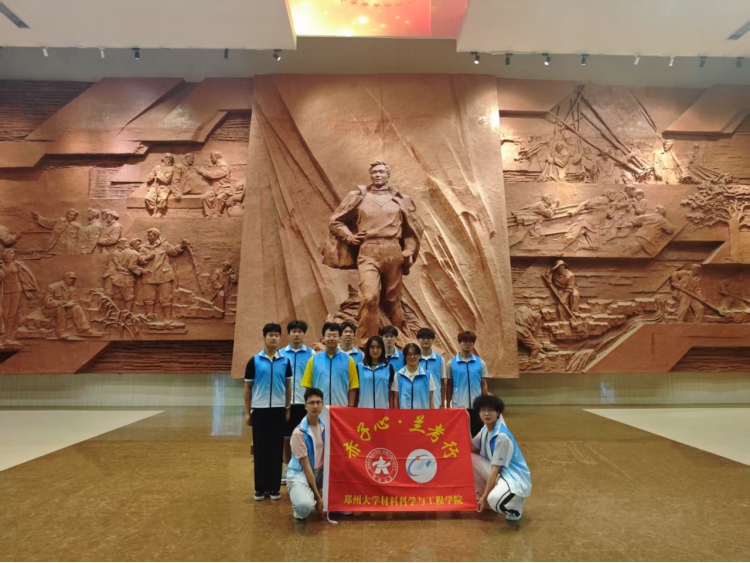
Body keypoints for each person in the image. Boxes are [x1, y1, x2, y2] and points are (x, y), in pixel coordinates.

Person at [323, 161, 423, 343]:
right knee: (369, 297)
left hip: (393, 250)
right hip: (368, 250)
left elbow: (411, 231)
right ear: (370, 175)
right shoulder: (358, 197)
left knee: (393, 301)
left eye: (381, 172)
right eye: (374, 172)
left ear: (388, 175)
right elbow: (336, 221)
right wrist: (349, 237)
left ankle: (396, 342)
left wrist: (409, 250)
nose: (378, 175)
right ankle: (366, 343)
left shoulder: (401, 200)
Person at [244, 323, 292, 502]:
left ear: (280, 338)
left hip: (278, 411)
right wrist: (248, 412)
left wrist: (287, 408)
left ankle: (273, 487)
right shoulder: (254, 361)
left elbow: (288, 386)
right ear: (264, 337)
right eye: (270, 335)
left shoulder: (285, 361)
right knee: (260, 450)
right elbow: (248, 388)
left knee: (276, 449)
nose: (274, 338)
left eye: (276, 335)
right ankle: (260, 488)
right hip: (260, 411)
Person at [471, 395, 531, 521]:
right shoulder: (485, 429)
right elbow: (471, 447)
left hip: (512, 476)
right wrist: (464, 422)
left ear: (498, 413)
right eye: (483, 410)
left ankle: (516, 507)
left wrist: (485, 497)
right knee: (469, 459)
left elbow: (495, 469)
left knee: (495, 501)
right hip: (500, 473)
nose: (486, 413)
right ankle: (486, 497)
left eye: (491, 410)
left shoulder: (501, 436)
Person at [286, 388, 326, 520]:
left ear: (323, 405)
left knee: (340, 507)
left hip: (319, 473)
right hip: (301, 473)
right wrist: (318, 497)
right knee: (304, 507)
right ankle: (302, 496)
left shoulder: (326, 427)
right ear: (305, 406)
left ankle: (313, 493)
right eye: (311, 403)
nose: (315, 406)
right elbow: (306, 466)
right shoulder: (299, 432)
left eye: (318, 402)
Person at [301, 322, 359, 409]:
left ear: (340, 338)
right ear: (323, 338)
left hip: (341, 407)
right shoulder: (313, 360)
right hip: (319, 409)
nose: (331, 338)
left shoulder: (349, 360)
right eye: (328, 336)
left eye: (335, 336)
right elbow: (308, 386)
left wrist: (350, 407)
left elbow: (353, 387)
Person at [282, 320, 314, 472]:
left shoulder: (311, 354)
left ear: (304, 334)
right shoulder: (281, 354)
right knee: (286, 438)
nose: (296, 334)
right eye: (293, 331)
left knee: (303, 437)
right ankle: (287, 469)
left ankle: (303, 469)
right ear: (289, 334)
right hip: (286, 404)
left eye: (299, 331)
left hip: (303, 403)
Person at [446, 331, 489, 436]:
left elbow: (483, 383)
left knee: (476, 435)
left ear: (473, 344)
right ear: (459, 343)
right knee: (459, 434)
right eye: (464, 341)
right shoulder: (451, 363)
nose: (467, 344)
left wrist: (485, 403)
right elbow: (449, 385)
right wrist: (447, 405)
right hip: (459, 406)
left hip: (476, 406)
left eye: (470, 342)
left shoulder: (481, 363)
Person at [0, 249, 37, 346]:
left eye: (13, 253)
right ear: (6, 254)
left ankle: (9, 336)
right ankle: (4, 334)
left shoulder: (17, 264)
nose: (12, 255)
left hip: (17, 290)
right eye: (11, 253)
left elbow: (23, 277)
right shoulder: (1, 266)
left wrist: (26, 290)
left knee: (12, 313)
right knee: (5, 313)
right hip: (6, 291)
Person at [42, 271, 93, 339]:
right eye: (70, 278)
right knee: (61, 308)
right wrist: (61, 303)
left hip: (66, 310)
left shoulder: (71, 289)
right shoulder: (53, 287)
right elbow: (47, 302)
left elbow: (74, 300)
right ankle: (60, 332)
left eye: (74, 279)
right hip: (51, 310)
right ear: (65, 277)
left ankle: (83, 328)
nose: (72, 280)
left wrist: (70, 303)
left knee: (77, 307)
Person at [391, 343, 435, 409]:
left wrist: (432, 414)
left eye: (415, 354)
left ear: (419, 356)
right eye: (409, 354)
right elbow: (396, 399)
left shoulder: (427, 375)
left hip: (422, 414)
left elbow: (431, 398)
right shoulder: (398, 375)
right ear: (405, 356)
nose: (412, 357)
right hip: (404, 414)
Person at [358, 335, 395, 409]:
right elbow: (356, 391)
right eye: (372, 347)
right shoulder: (359, 367)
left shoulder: (388, 367)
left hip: (383, 410)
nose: (375, 350)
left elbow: (391, 392)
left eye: (378, 347)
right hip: (364, 409)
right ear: (368, 349)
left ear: (382, 349)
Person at [417, 327, 446, 409]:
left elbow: (442, 383)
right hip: (418, 403)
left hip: (436, 403)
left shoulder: (440, 359)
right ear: (418, 340)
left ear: (433, 340)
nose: (426, 340)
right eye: (423, 338)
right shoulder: (414, 359)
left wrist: (442, 404)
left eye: (428, 338)